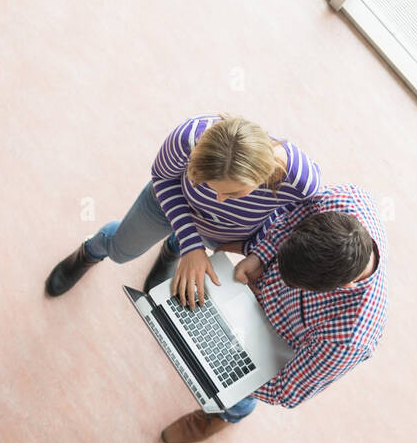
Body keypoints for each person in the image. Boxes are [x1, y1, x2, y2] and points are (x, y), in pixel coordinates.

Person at [159, 183, 388, 443]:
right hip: (249, 293)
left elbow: (286, 390)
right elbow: (290, 216)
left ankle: (228, 416)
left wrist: (218, 358)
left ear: (341, 288)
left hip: (272, 350)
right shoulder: (342, 200)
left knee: (238, 397)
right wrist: (261, 256)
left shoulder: (350, 338)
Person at [44, 115, 321, 304]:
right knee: (120, 252)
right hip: (171, 204)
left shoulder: (303, 181)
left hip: (231, 231)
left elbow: (294, 225)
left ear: (264, 173)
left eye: (234, 193)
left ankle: (172, 248)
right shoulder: (187, 139)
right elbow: (162, 178)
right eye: (210, 186)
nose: (220, 200)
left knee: (186, 247)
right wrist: (193, 245)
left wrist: (256, 251)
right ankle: (92, 250)